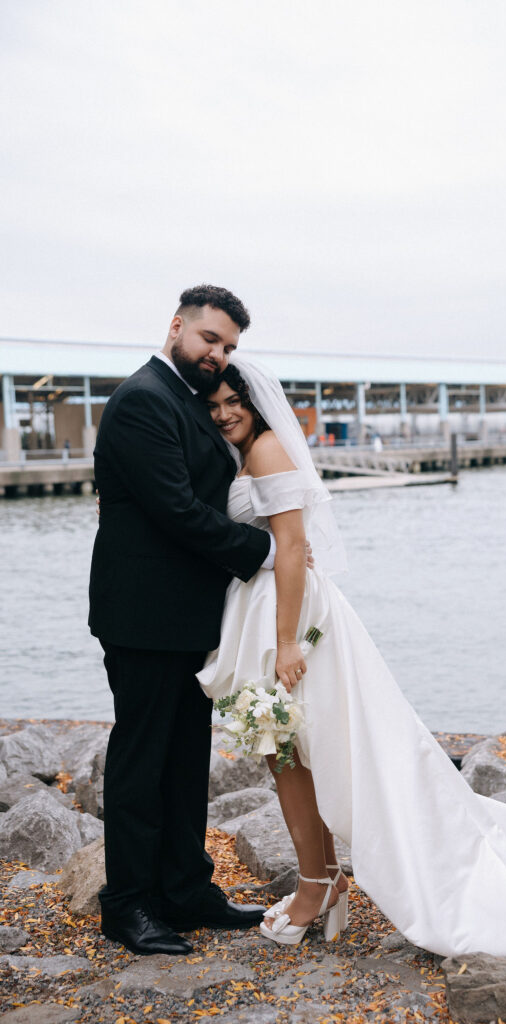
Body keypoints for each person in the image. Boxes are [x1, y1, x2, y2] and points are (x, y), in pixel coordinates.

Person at [196, 354, 506, 984]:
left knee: (291, 751)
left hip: (290, 617)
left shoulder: (267, 449)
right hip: (274, 608)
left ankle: (316, 886)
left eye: (235, 402)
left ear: (256, 403)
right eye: (215, 404)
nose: (225, 413)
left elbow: (295, 544)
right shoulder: (245, 452)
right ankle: (323, 879)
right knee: (293, 753)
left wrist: (284, 643)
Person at [89, 285, 275, 956]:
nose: (217, 355)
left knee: (185, 757)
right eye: (209, 340)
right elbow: (176, 511)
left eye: (228, 347)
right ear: (176, 327)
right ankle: (129, 905)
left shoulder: (188, 399)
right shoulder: (143, 400)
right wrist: (268, 550)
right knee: (142, 763)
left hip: (189, 613)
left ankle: (186, 889)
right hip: (141, 615)